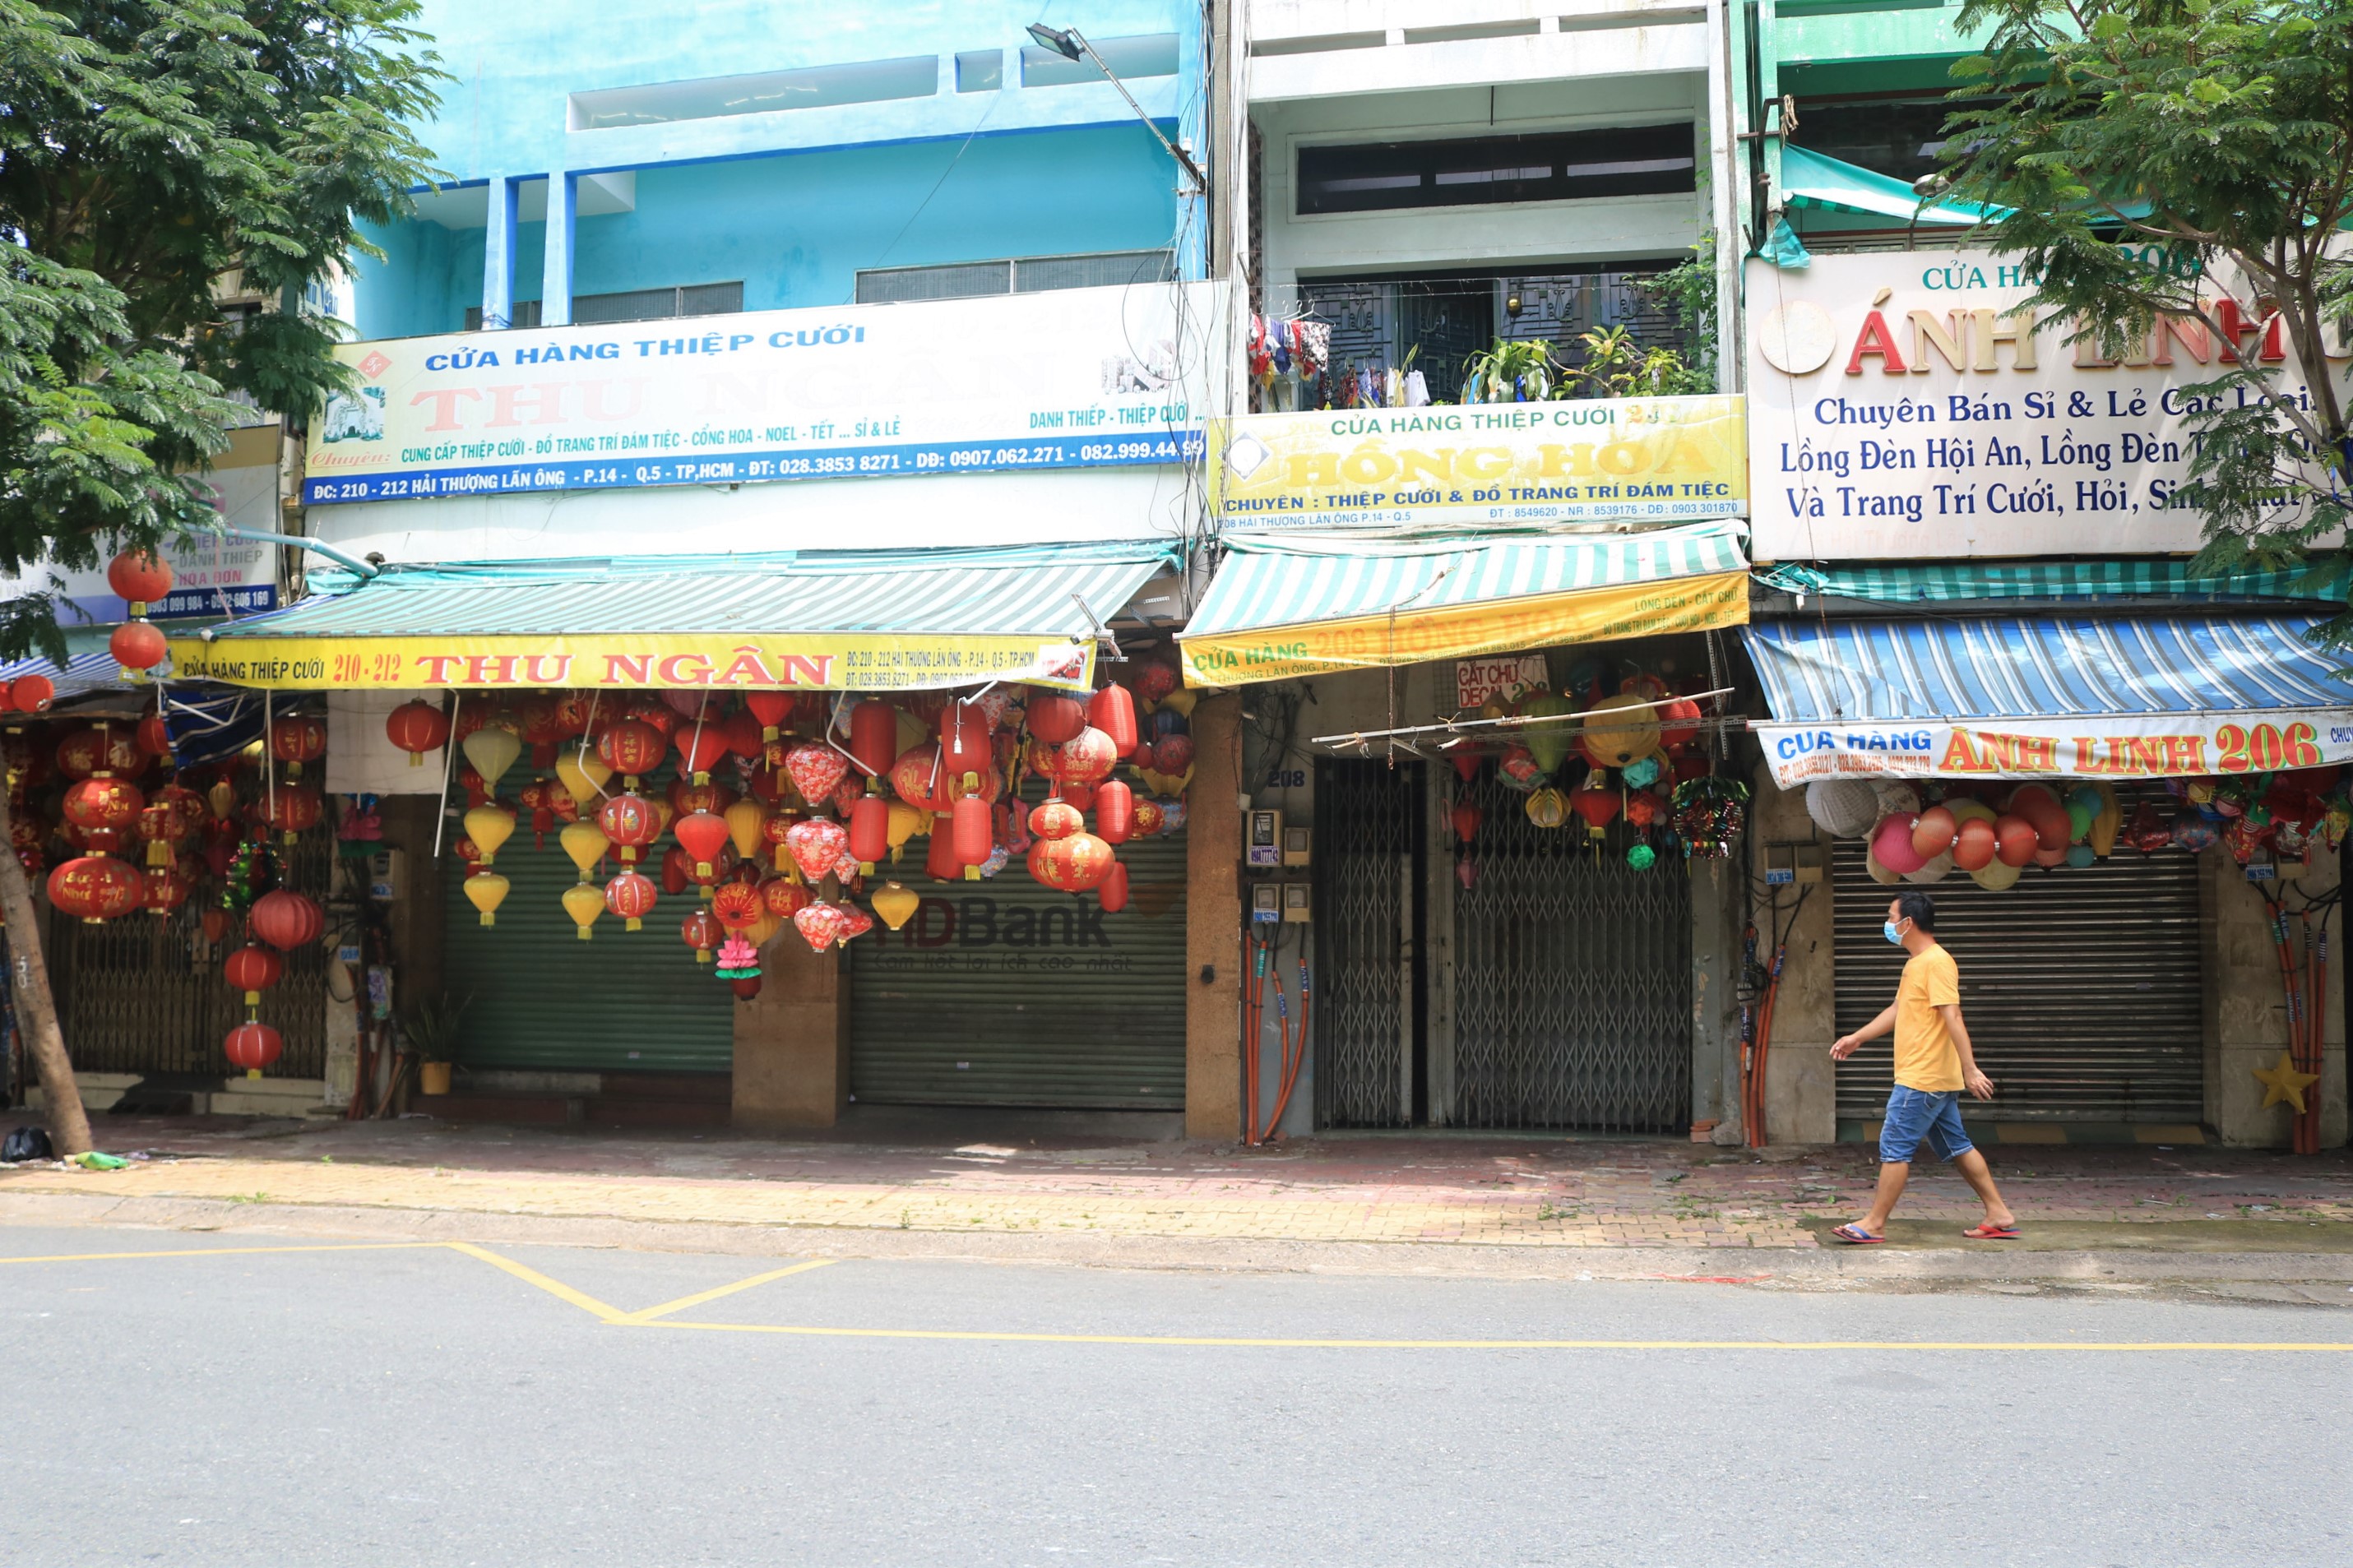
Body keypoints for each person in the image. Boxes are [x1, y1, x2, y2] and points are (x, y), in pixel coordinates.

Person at [1826, 890, 2018, 1244]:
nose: (1887, 924)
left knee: (1894, 1146)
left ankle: (1874, 1223)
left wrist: (1971, 1069)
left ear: (1908, 923)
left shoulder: (1937, 962)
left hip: (1922, 1078)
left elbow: (1953, 1016)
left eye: (1890, 916)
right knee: (1957, 1145)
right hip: (1934, 1079)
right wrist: (1858, 1038)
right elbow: (1899, 1010)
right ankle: (1998, 1213)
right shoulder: (1916, 963)